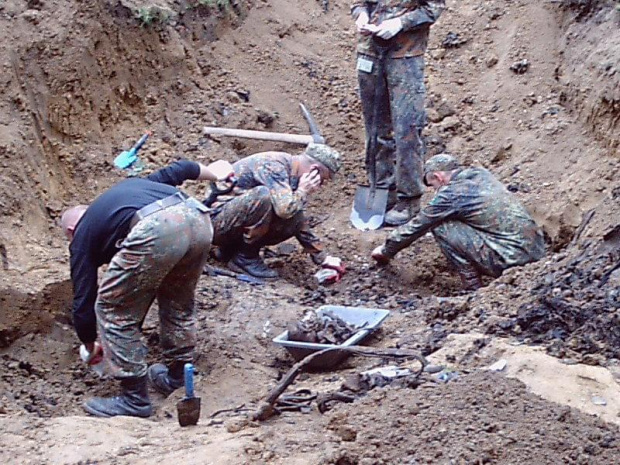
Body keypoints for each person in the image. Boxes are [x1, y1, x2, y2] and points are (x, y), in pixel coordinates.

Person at [61, 158, 234, 418]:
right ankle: (177, 376)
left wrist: (89, 342)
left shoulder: (83, 234)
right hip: (199, 220)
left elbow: (84, 298)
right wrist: (215, 174)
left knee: (111, 309)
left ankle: (134, 400)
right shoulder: (133, 190)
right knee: (177, 302)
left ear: (72, 230)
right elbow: (183, 169)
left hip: (157, 228)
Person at [371, 154, 546, 290]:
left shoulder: (452, 193)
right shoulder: (481, 175)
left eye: (433, 186)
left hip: (512, 258)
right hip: (537, 252)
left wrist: (387, 250)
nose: (434, 191)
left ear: (439, 177)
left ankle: (473, 289)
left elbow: (419, 224)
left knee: (439, 225)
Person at [351, 0, 445, 225]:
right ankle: (382, 189)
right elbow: (357, 3)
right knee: (375, 128)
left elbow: (433, 8)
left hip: (405, 57)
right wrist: (361, 16)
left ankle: (409, 199)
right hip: (369, 53)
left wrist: (401, 23)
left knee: (407, 130)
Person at [208, 143, 342, 279]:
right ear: (315, 170)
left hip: (231, 222)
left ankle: (230, 251)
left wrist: (322, 257)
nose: (321, 185)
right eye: (323, 179)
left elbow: (298, 220)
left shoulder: (292, 174)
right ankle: (245, 258)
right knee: (264, 196)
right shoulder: (274, 166)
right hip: (215, 223)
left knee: (294, 215)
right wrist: (302, 191)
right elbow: (284, 210)